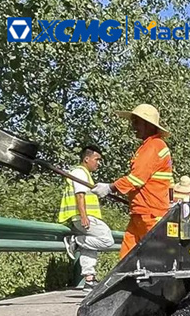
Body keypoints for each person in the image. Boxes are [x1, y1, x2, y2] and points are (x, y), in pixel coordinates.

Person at [91, 104, 174, 259]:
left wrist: (110, 188)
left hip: (150, 214)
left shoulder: (153, 146)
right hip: (141, 213)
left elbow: (136, 179)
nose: (133, 126)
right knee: (127, 260)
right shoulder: (149, 146)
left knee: (154, 260)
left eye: (136, 122)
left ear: (148, 124)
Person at [59, 145, 115, 292]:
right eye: (97, 159)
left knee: (90, 244)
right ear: (86, 159)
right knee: (107, 239)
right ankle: (75, 242)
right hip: (82, 217)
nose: (99, 163)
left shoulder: (84, 174)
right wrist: (84, 216)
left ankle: (89, 280)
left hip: (82, 217)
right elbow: (80, 194)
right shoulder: (80, 172)